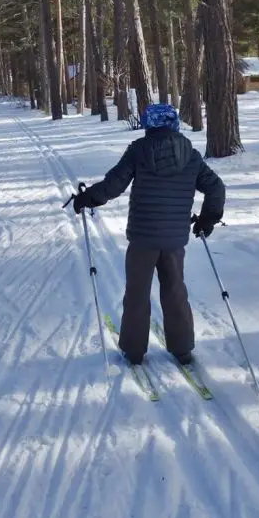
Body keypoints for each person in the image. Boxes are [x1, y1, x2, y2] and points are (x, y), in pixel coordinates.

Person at [69, 103, 225, 366]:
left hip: (143, 238)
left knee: (137, 293)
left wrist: (87, 198)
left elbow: (114, 184)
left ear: (149, 124)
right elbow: (216, 188)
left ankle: (134, 350)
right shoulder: (191, 154)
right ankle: (182, 348)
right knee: (175, 291)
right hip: (175, 239)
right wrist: (207, 220)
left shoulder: (139, 151)